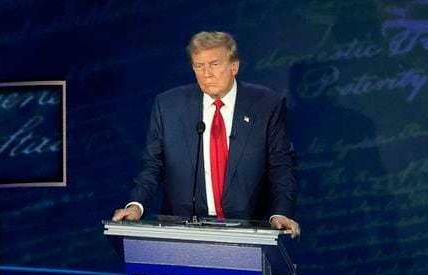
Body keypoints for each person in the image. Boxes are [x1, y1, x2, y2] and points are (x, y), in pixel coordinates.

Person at [111, 31, 300, 237]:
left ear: (234, 66)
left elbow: (281, 167)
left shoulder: (266, 105)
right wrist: (136, 205)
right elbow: (153, 165)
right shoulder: (168, 106)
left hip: (248, 230)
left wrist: (280, 213)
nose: (206, 73)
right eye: (199, 66)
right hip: (183, 231)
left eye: (215, 64)